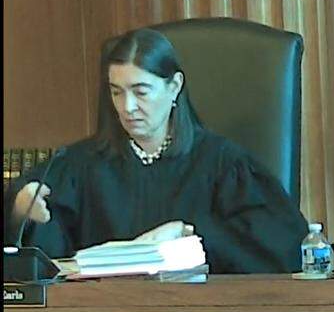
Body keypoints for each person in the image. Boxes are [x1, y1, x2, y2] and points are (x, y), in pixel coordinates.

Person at [3, 28, 310, 273]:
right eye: (116, 92)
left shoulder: (221, 164)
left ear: (174, 87)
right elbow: (42, 259)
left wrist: (190, 233)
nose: (128, 107)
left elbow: (281, 239)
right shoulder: (79, 165)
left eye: (140, 91)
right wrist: (20, 210)